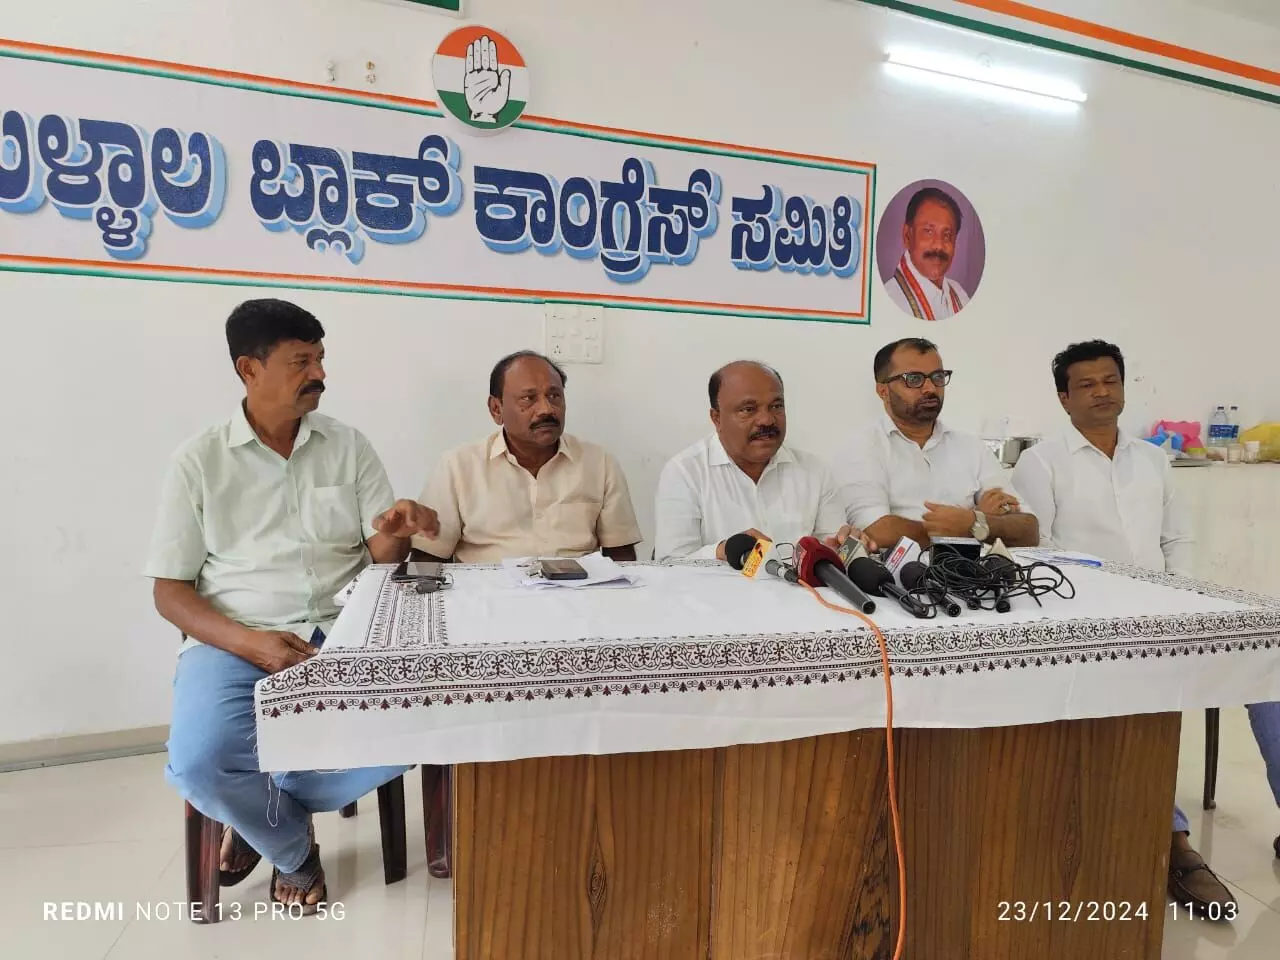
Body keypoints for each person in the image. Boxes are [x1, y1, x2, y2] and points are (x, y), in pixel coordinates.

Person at [146, 299, 440, 912]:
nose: (320, 374)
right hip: (234, 637)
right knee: (200, 762)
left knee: (426, 720)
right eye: (301, 361)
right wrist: (251, 643)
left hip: (343, 627)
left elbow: (381, 556)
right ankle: (291, 847)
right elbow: (169, 592)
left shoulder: (347, 445)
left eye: (321, 359)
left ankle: (264, 814)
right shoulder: (198, 461)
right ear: (249, 369)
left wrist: (398, 530)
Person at [1013, 339, 1280, 920]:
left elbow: (1177, 537)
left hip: (1168, 610)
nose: (1101, 392)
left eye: (1110, 380)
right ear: (1063, 398)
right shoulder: (1041, 464)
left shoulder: (1153, 459)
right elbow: (1041, 551)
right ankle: (1173, 841)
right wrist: (1112, 602)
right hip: (1095, 622)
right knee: (1138, 704)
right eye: (1086, 384)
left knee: (1269, 668)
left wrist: (1176, 594)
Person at [412, 350, 641, 563]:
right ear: (496, 409)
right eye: (528, 398)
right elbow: (428, 558)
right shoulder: (458, 467)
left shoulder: (599, 463)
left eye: (554, 396)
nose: (546, 409)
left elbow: (622, 558)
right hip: (490, 589)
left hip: (577, 588)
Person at [654, 361, 868, 560]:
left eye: (776, 406)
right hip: (718, 590)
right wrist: (723, 551)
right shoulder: (685, 473)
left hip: (799, 590)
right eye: (748, 409)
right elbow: (670, 564)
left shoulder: (814, 472)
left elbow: (831, 551)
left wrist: (845, 549)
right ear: (717, 418)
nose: (766, 420)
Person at [837, 338, 1038, 550]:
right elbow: (877, 532)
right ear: (883, 391)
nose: (930, 388)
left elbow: (1029, 530)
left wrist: (972, 521)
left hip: (976, 568)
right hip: (901, 570)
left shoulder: (971, 448)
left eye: (938, 377)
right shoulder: (862, 448)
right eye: (914, 379)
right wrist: (974, 523)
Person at [885, 187, 971, 321]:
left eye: (947, 235)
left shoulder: (960, 296)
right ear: (907, 236)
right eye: (928, 232)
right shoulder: (891, 299)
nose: (938, 245)